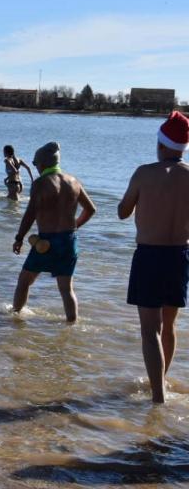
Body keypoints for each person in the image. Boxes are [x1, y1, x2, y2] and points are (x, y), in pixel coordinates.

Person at [118, 111, 189, 403]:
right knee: (168, 326)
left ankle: (157, 398)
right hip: (180, 256)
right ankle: (161, 381)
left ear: (161, 144)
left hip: (149, 256)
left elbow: (123, 212)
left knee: (150, 331)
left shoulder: (144, 172)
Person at [11, 141, 96, 323]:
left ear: (42, 164)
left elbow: (30, 214)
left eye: (35, 164)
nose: (36, 168)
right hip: (68, 241)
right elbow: (91, 209)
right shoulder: (74, 182)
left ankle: (14, 317)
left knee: (24, 280)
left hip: (46, 244)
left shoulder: (40, 184)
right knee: (66, 289)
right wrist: (74, 227)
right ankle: (71, 325)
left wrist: (19, 238)